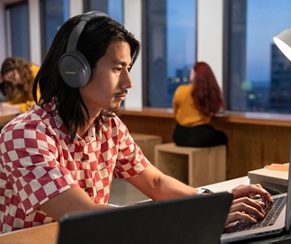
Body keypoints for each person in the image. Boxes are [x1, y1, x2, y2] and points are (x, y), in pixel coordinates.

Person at [0, 11, 272, 233]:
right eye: (118, 69)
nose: (128, 83)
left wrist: (212, 203)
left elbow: (154, 183)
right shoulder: (24, 135)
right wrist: (203, 217)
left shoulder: (109, 127)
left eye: (128, 69)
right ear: (75, 71)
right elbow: (83, 215)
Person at [173, 62, 227, 147]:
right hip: (200, 136)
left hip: (179, 135)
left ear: (194, 74)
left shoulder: (180, 90)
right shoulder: (209, 92)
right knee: (223, 137)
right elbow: (212, 112)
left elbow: (175, 113)